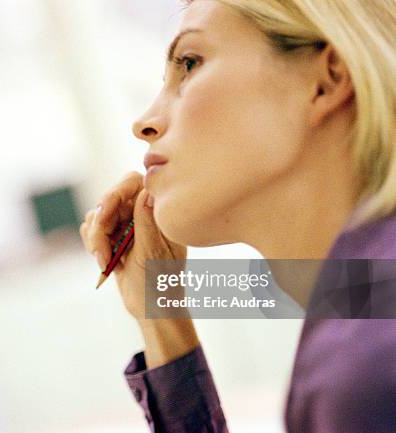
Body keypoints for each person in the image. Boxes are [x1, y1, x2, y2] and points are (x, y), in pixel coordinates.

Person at [79, 0, 396, 431]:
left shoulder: (363, 371)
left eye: (189, 64)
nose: (144, 122)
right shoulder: (368, 302)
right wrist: (161, 312)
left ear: (327, 79)